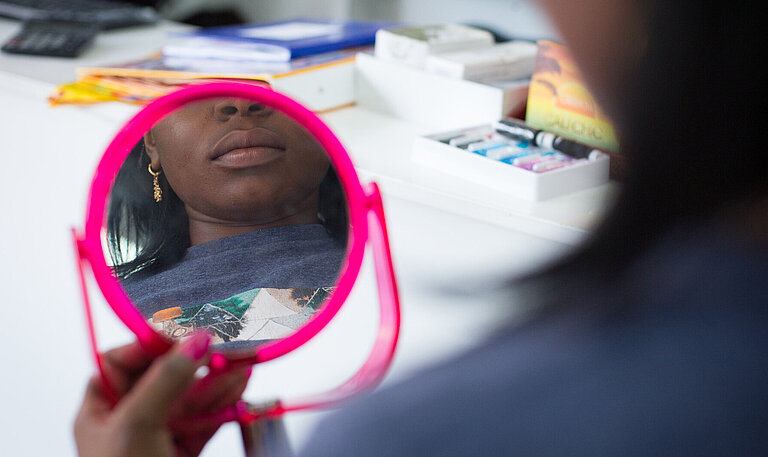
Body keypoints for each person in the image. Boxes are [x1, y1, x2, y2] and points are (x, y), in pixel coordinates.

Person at [75, 0, 768, 456]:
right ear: (151, 156)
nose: (240, 110)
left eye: (261, 101)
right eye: (210, 101)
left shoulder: (417, 433)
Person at [107, 97, 348, 344]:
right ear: (152, 142)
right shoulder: (105, 313)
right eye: (201, 87)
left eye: (266, 80)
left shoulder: (382, 265)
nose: (240, 102)